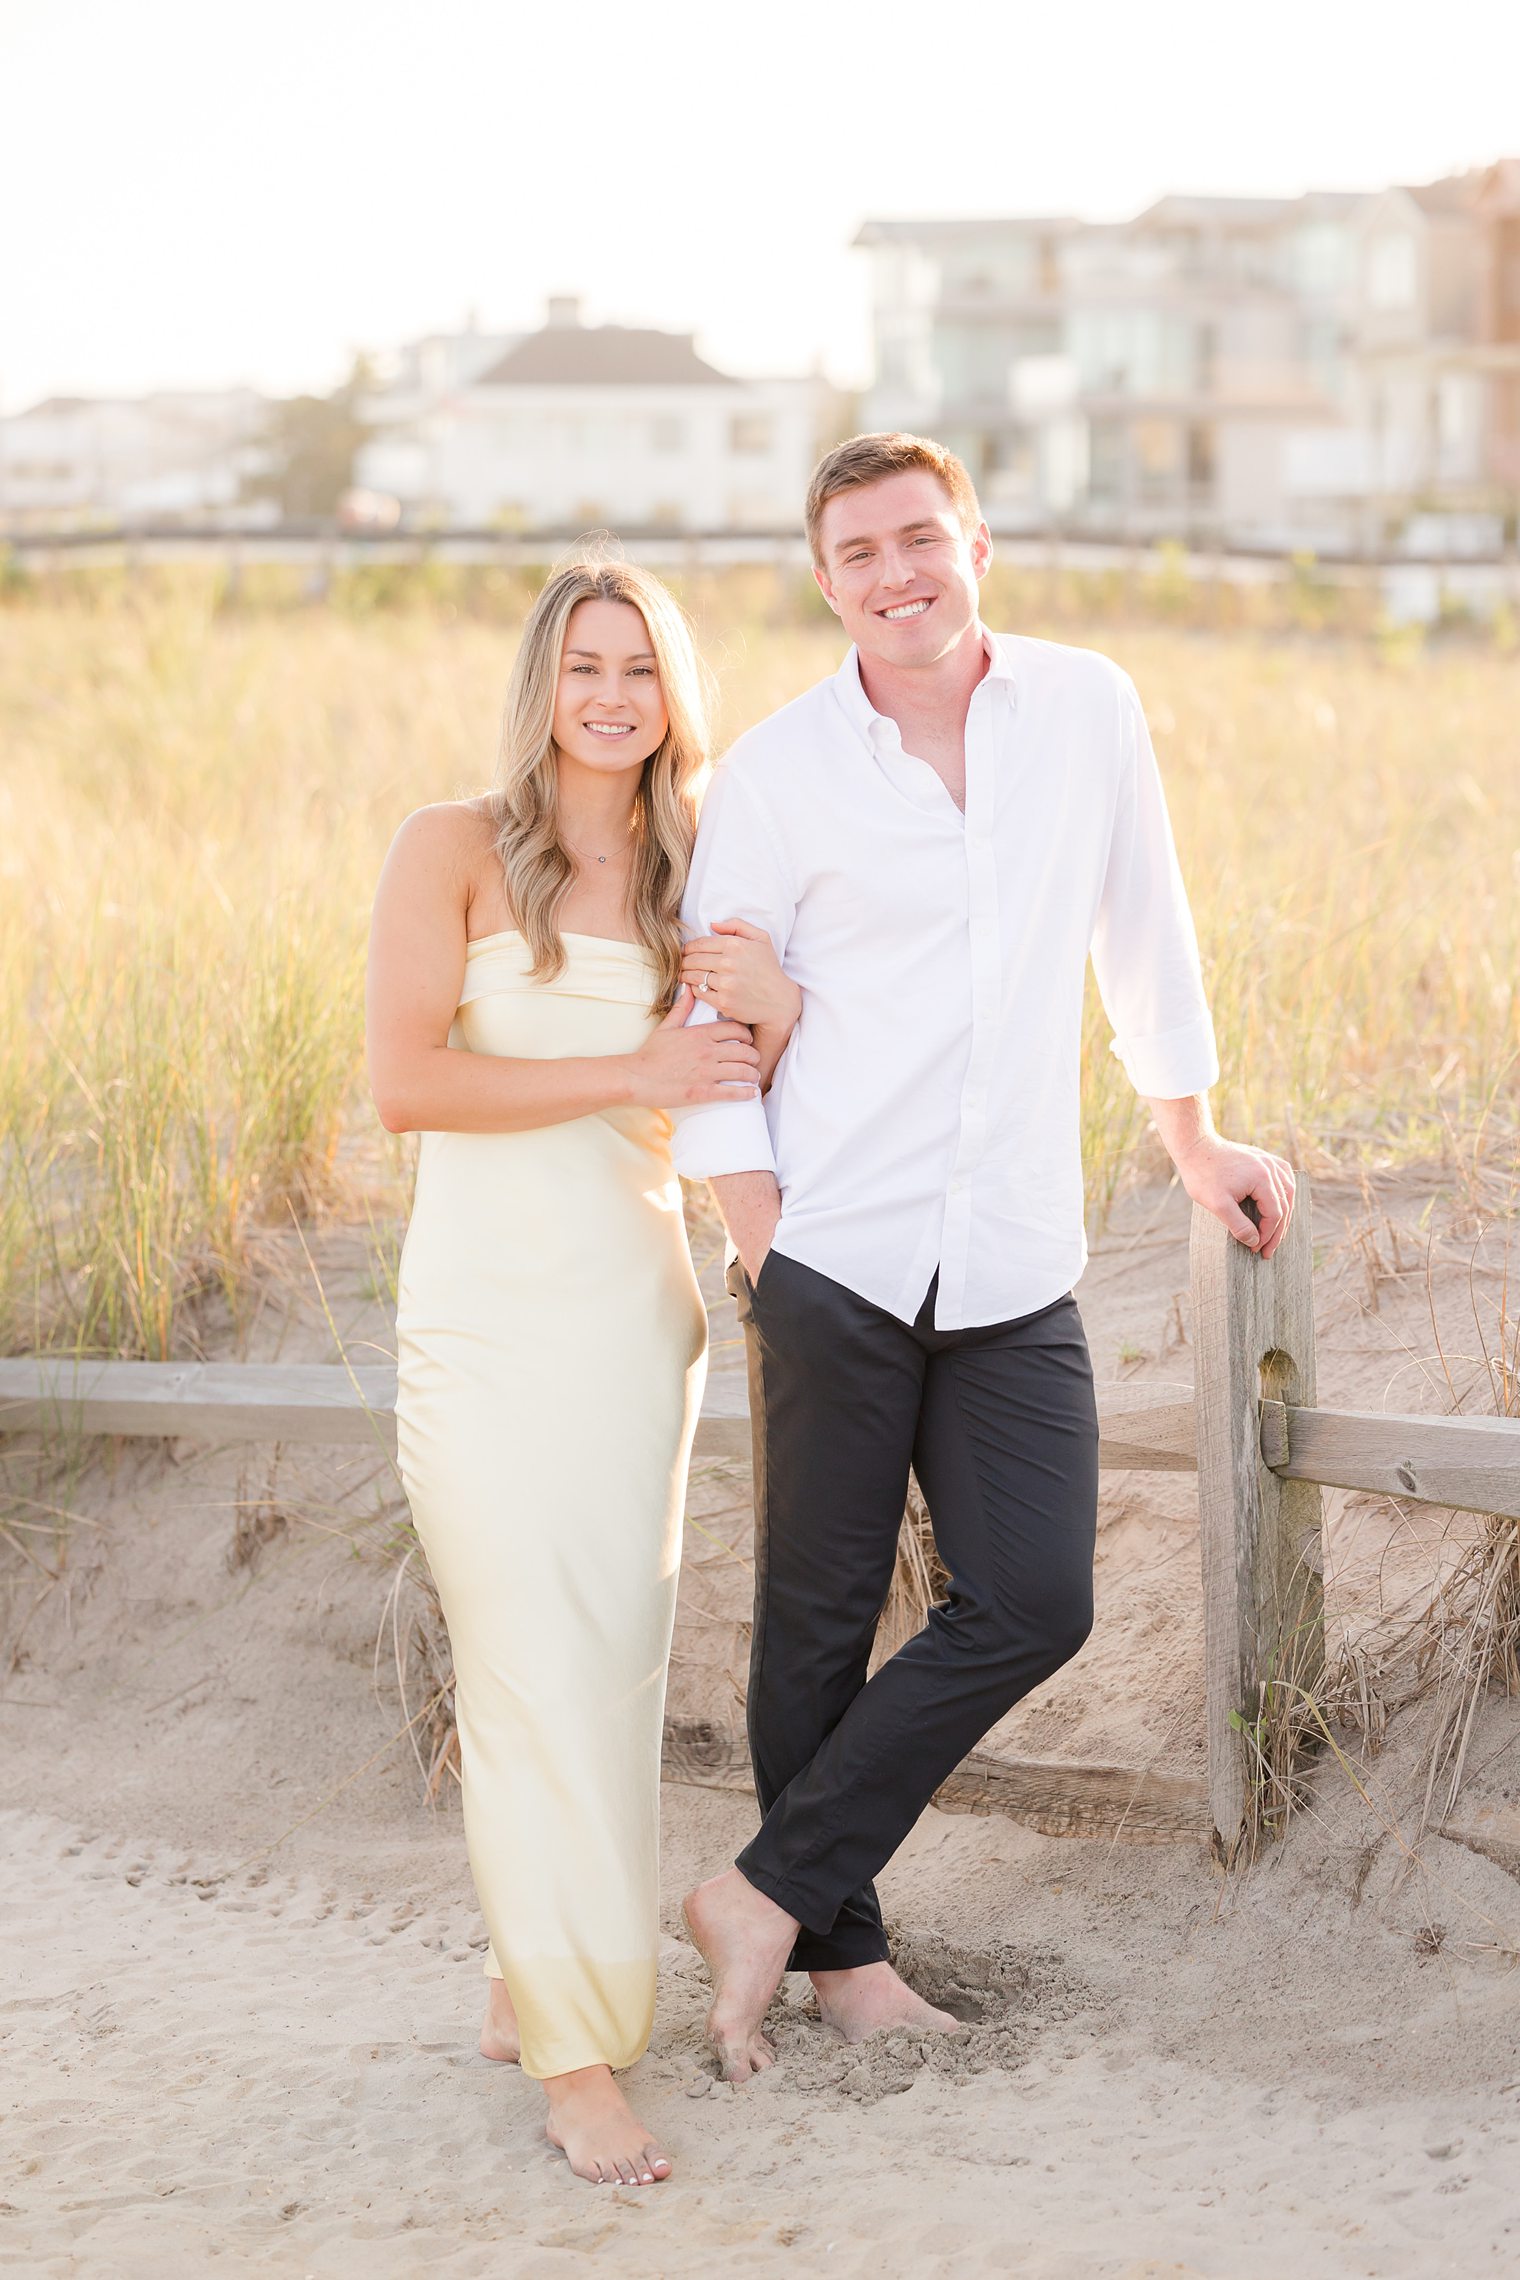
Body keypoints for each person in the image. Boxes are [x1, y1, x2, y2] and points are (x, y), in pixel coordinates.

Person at [673, 433, 1296, 2082]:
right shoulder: (778, 771)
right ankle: (844, 1963)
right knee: (815, 1622)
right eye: (859, 554)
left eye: (918, 540)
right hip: (836, 1251)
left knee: (1035, 1597)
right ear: (826, 583)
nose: (896, 575)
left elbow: (1143, 931)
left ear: (978, 544)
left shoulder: (1087, 711)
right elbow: (711, 1024)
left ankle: (759, 1894)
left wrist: (1194, 1140)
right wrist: (763, 1244)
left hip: (1016, 1254)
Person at [365, 557, 797, 2184]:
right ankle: (577, 2057)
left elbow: (733, 1101)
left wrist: (779, 1007)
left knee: (606, 1676)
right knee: (527, 1662)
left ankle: (523, 1976)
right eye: (583, 664)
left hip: (632, 1321)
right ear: (543, 684)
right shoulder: (452, 848)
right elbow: (408, 1082)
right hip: (482, 1320)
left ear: (672, 695)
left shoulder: (706, 873)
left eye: (641, 668)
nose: (611, 694)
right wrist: (632, 1061)